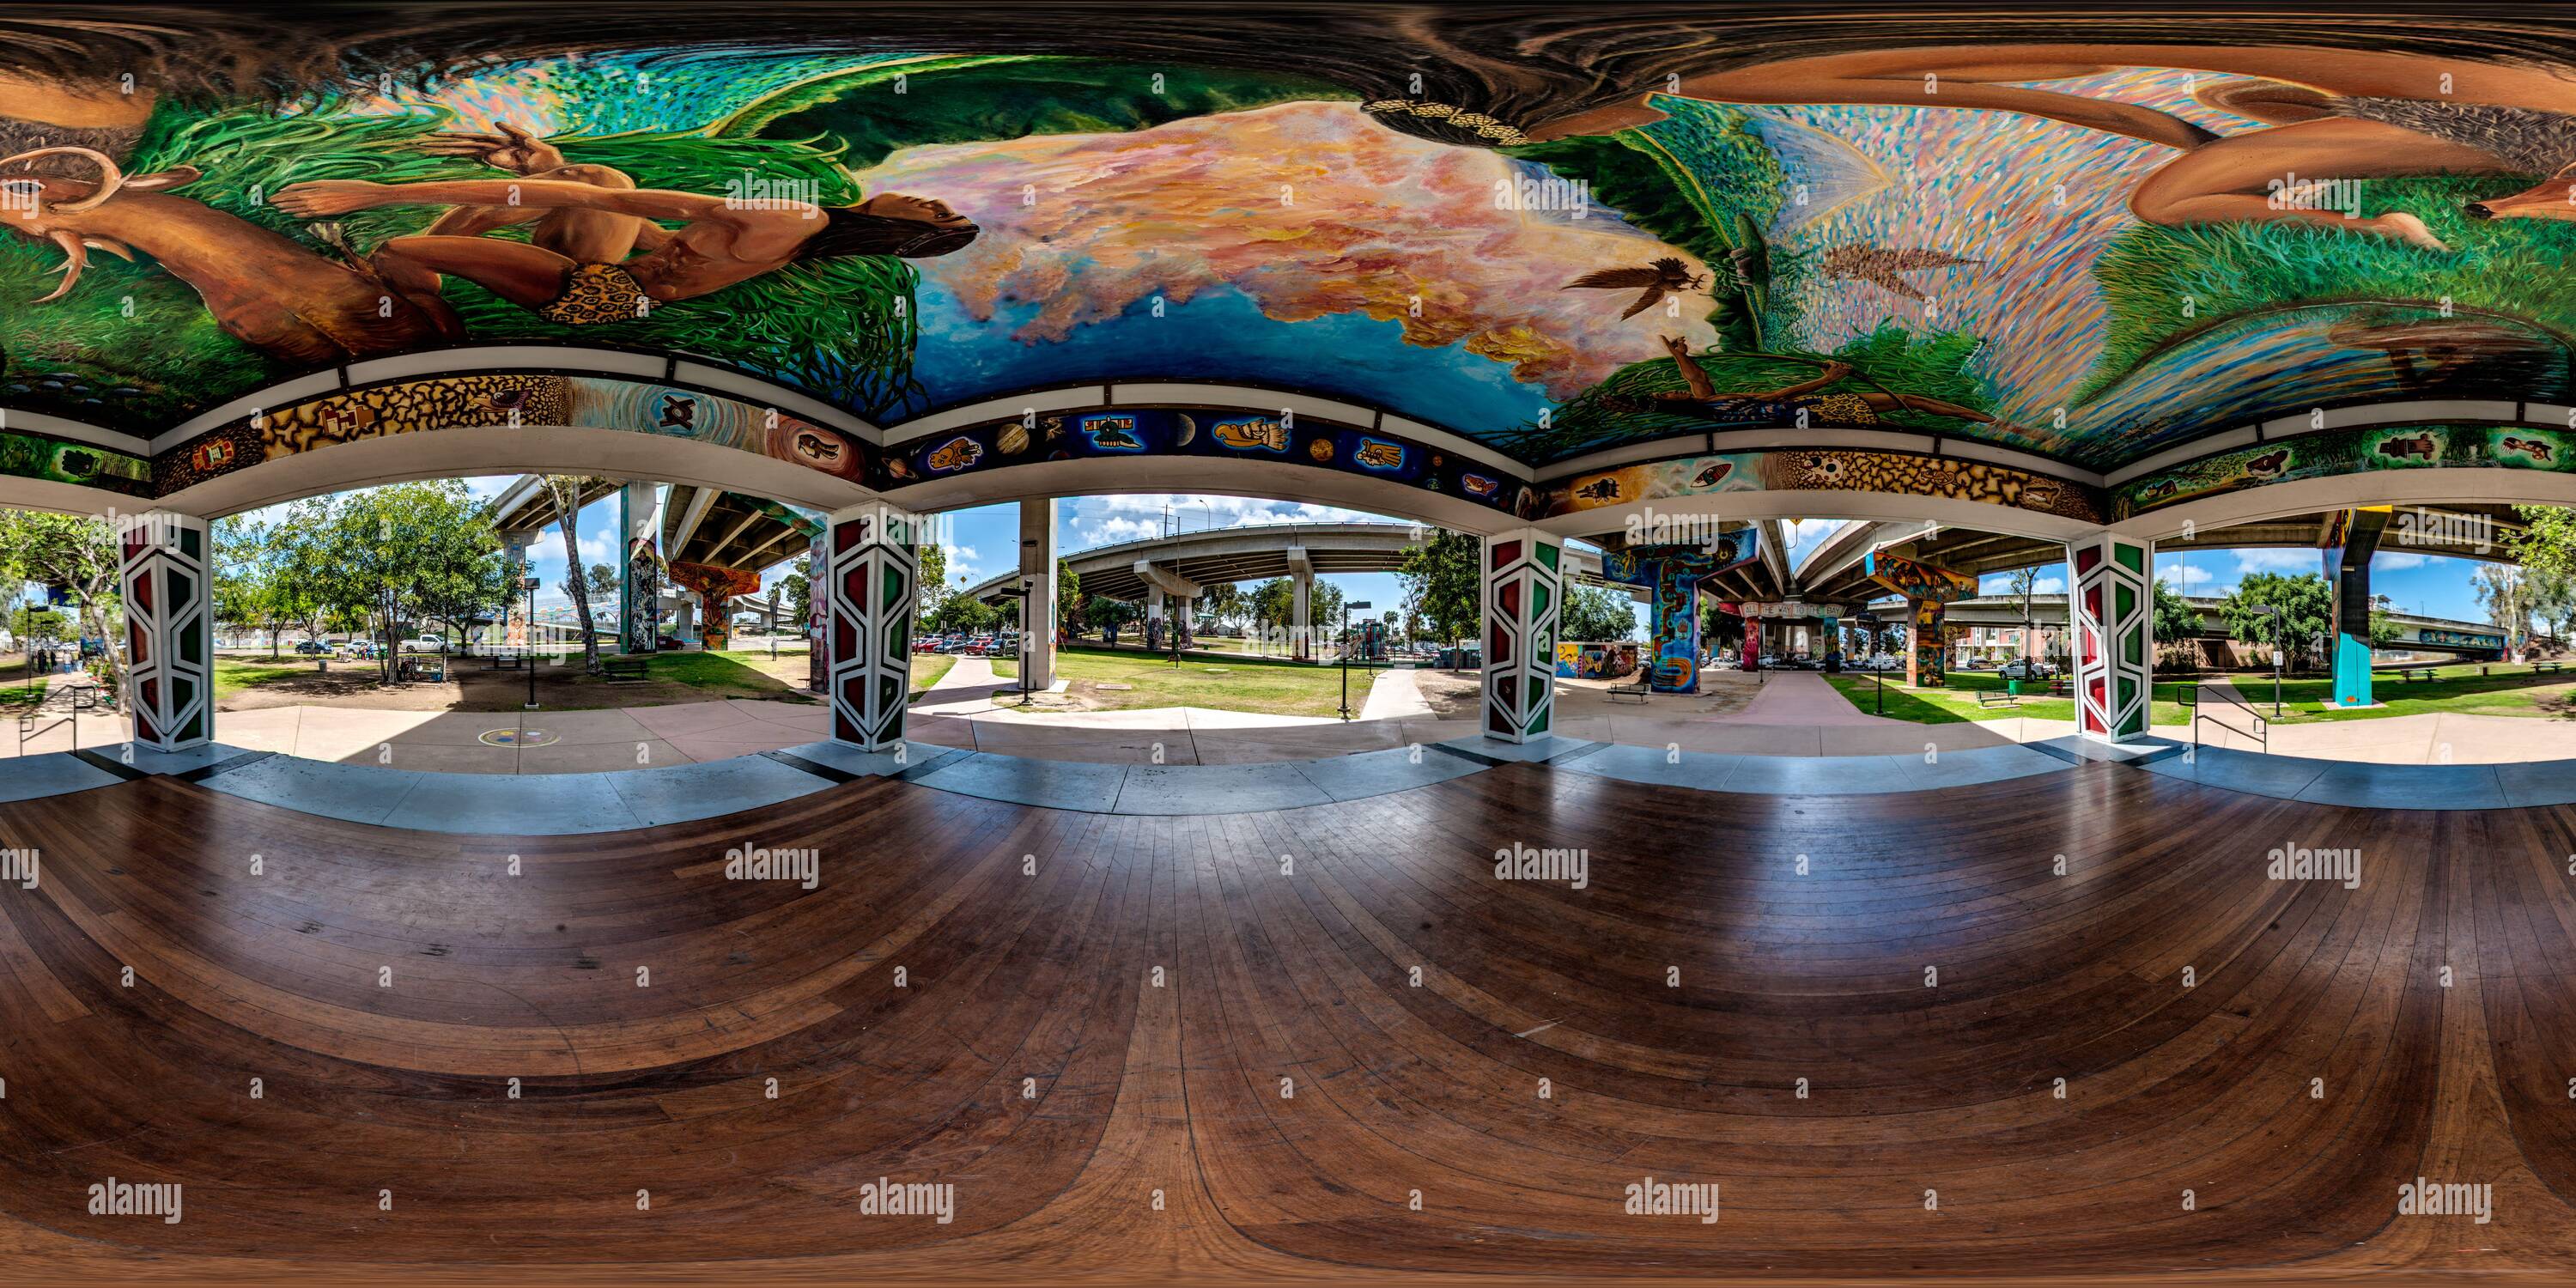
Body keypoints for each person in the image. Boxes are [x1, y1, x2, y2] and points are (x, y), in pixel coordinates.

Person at [270, 122, 976, 326]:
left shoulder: (799, 213)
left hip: (599, 295)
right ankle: (417, 273)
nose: (929, 201)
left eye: (938, 214)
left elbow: (617, 211)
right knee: (601, 181)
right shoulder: (807, 233)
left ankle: (406, 277)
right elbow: (669, 247)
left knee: (398, 240)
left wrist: (376, 191)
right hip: (624, 283)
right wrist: (558, 174)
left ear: (904, 234)